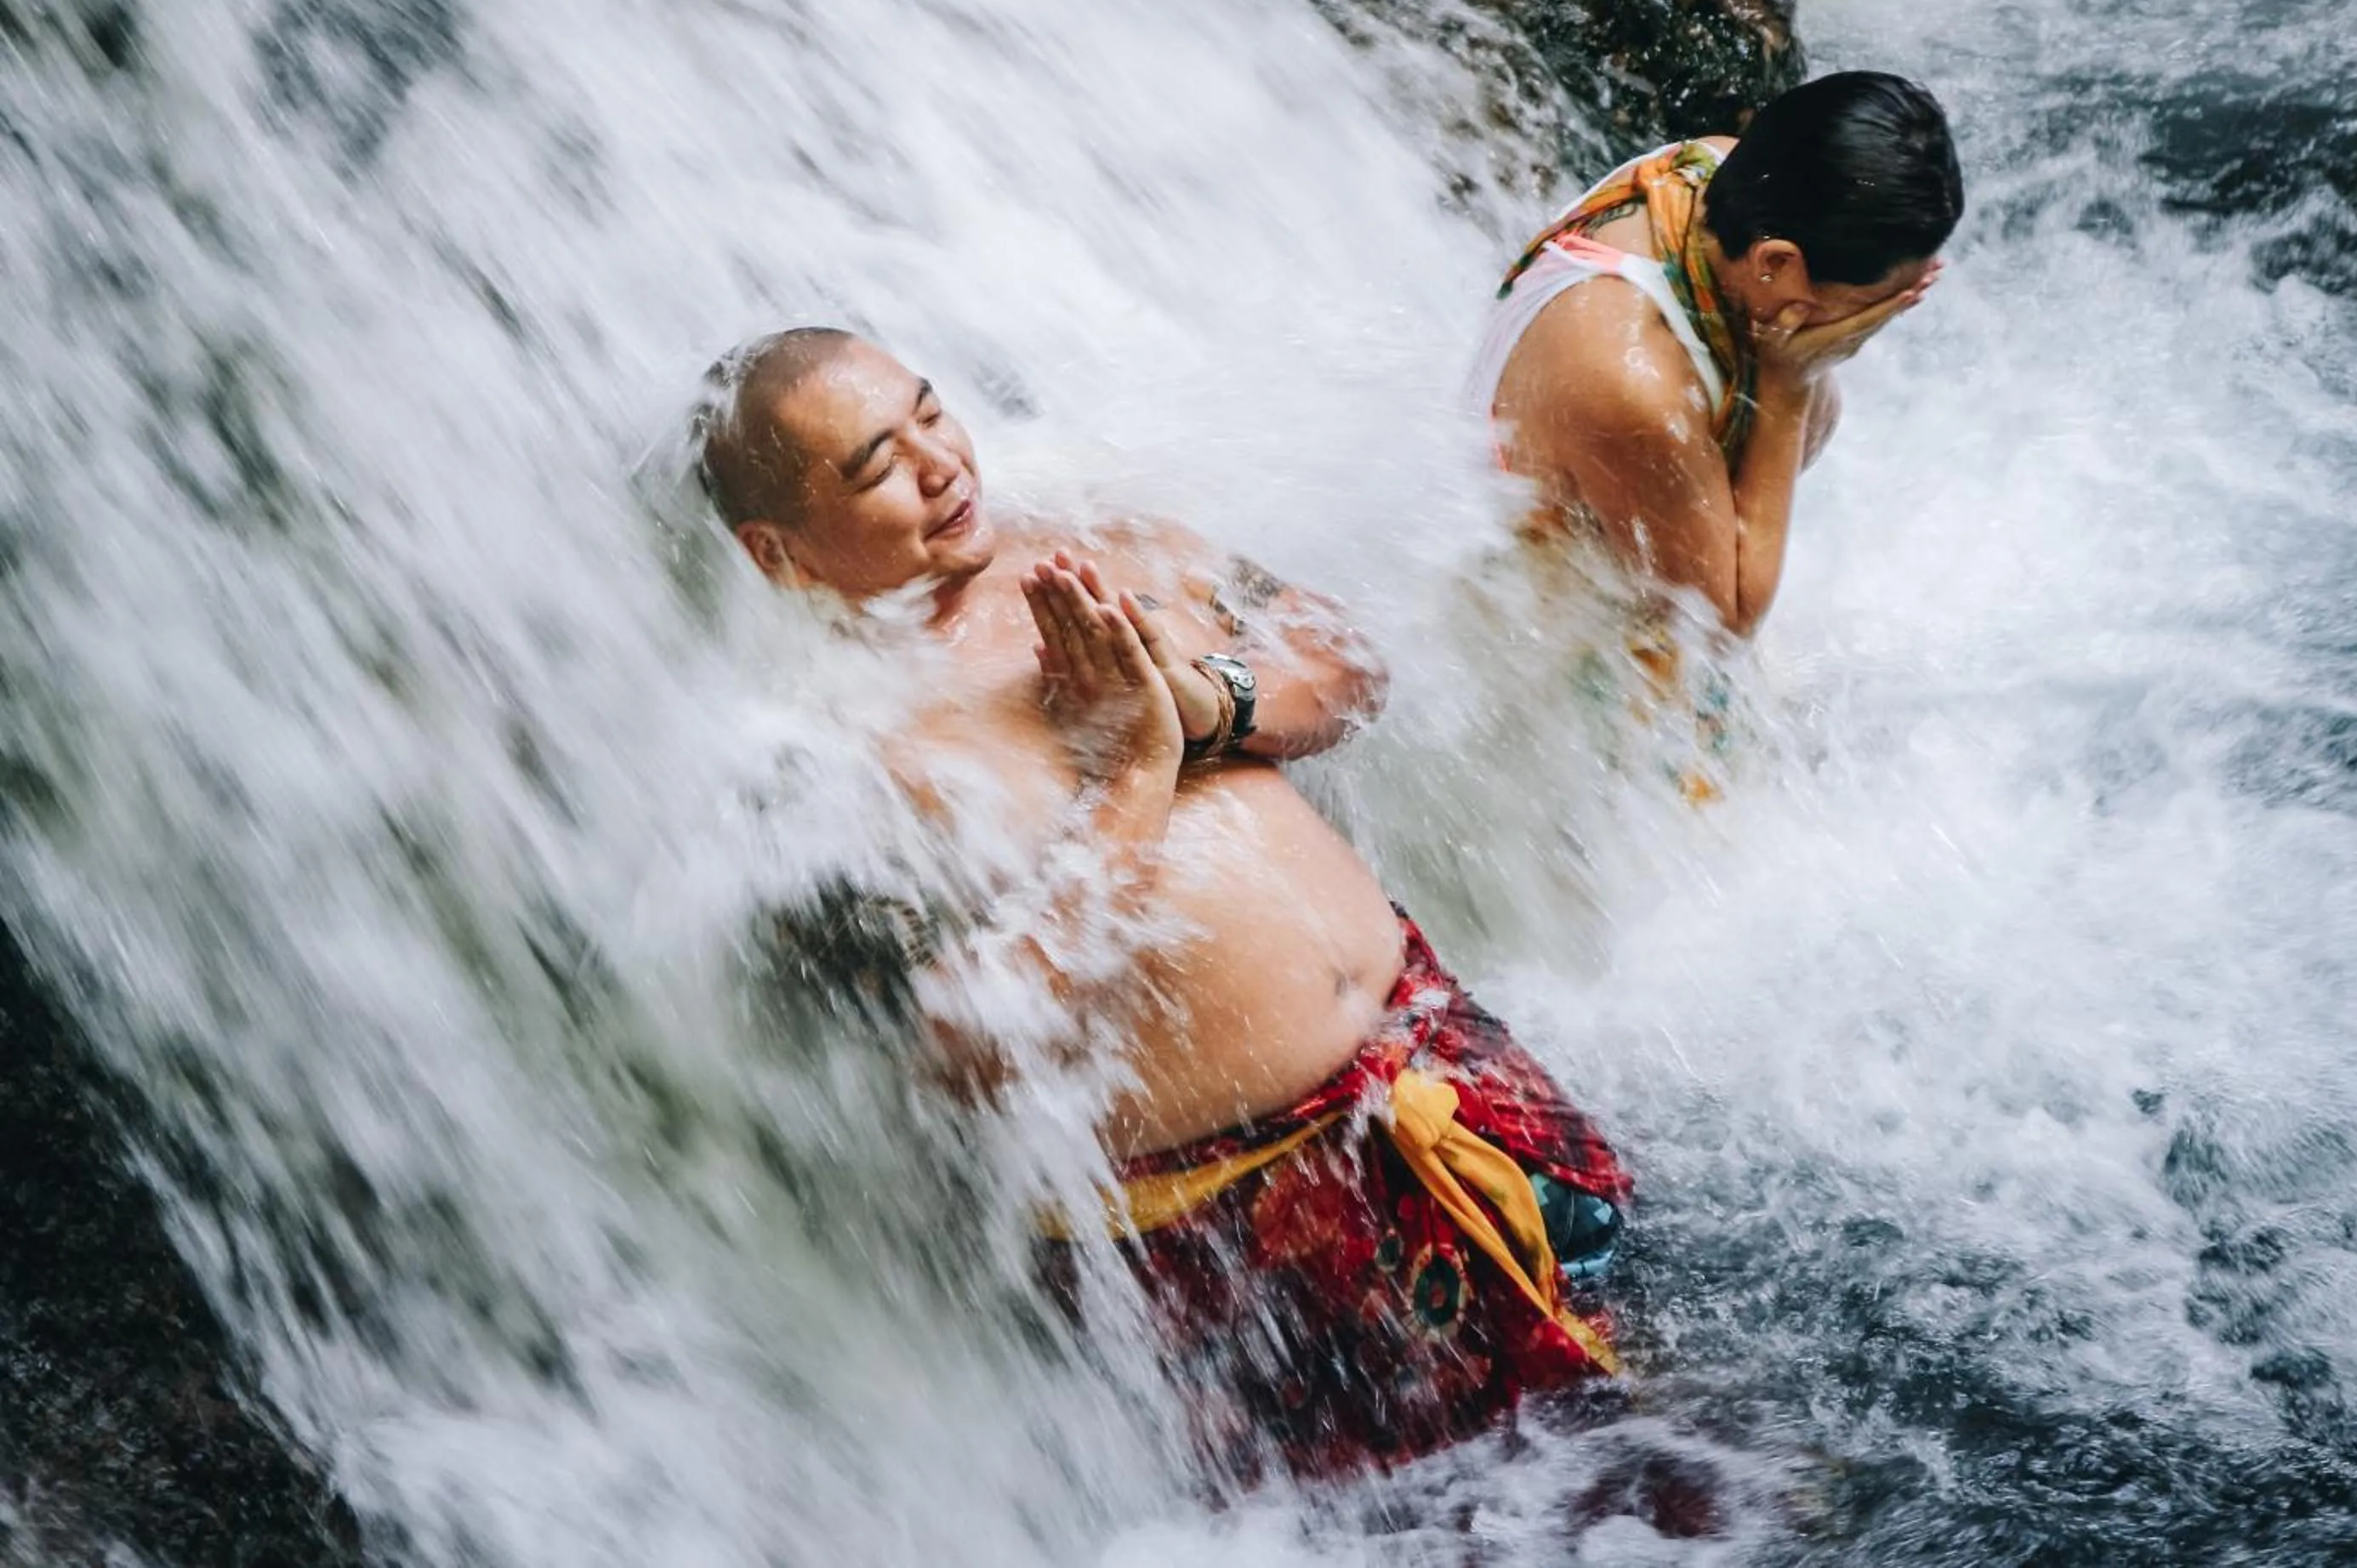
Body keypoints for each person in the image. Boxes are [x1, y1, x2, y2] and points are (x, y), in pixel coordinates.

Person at [697, 327, 1633, 1480]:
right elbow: (966, 1047)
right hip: (1250, 1232)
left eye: (932, 412)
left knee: (1669, 1415)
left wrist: (1212, 703)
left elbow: (1345, 657)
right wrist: (1134, 775)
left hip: (1444, 1069)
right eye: (876, 465)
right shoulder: (826, 766)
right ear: (779, 554)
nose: (941, 463)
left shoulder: (1100, 541)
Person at [1466, 72, 1962, 648]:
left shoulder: (1718, 170)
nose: (1877, 321)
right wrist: (1789, 385)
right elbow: (1717, 628)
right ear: (1775, 261)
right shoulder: (1630, 377)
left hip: (1621, 583)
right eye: (1873, 305)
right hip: (1526, 637)